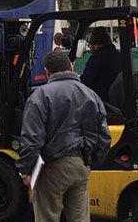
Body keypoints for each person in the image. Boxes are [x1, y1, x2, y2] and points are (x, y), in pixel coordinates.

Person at [17, 52, 111, 222]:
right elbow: (104, 137)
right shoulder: (91, 95)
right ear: (71, 66)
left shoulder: (40, 96)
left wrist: (26, 170)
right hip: (81, 166)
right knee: (80, 218)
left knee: (47, 216)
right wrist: (90, 161)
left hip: (52, 168)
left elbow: (32, 139)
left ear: (47, 72)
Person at [80, 27, 122, 105]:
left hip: (100, 101)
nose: (90, 49)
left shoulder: (96, 58)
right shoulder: (120, 56)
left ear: (97, 45)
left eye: (90, 45)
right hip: (116, 100)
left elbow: (86, 81)